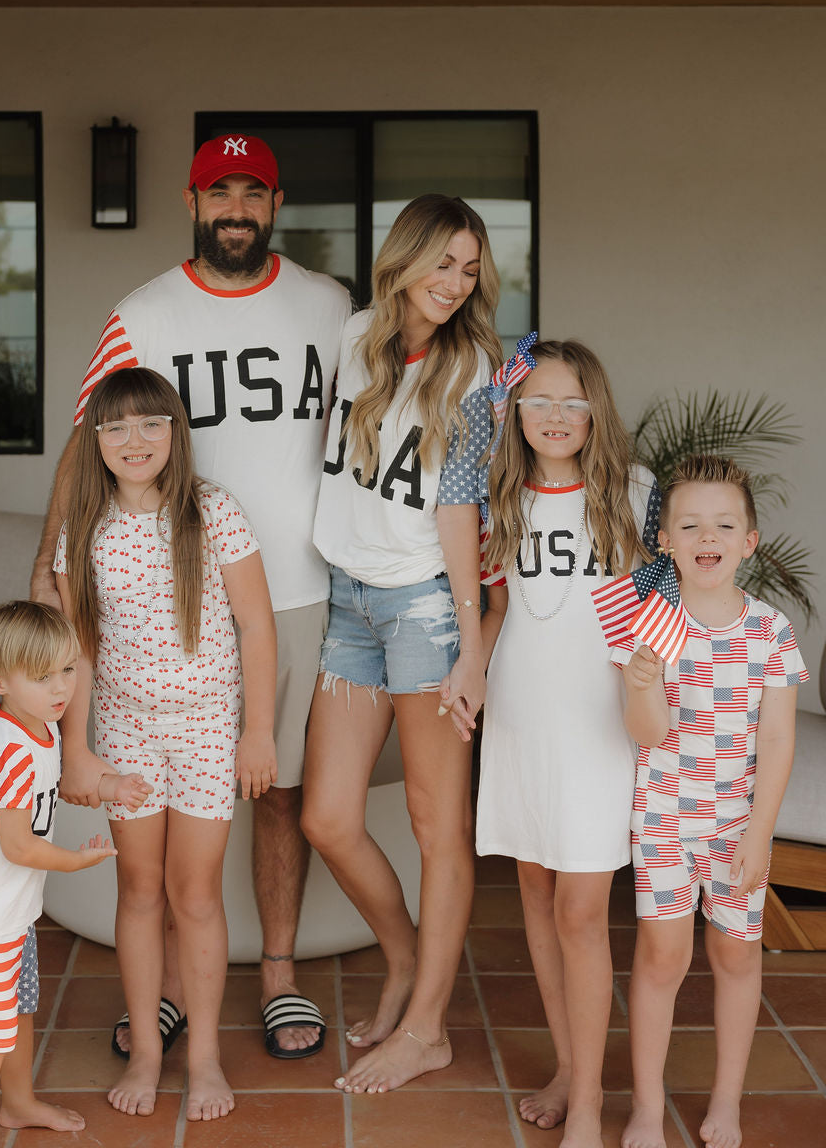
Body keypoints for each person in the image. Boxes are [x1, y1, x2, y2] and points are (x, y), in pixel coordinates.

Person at [30, 132, 350, 1065]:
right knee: (163, 828)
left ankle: (279, 972)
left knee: (279, 791)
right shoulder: (143, 313)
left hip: (296, 588)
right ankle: (168, 989)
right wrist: (46, 567)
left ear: (276, 205)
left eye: (253, 192)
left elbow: (369, 425)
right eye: (220, 193)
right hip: (169, 597)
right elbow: (86, 439)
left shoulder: (330, 305)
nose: (236, 209)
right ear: (192, 202)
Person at [299, 193, 503, 1094]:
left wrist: (471, 646)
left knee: (437, 826)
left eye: (470, 269)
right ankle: (408, 962)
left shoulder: (474, 370)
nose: (455, 284)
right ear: (404, 259)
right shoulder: (354, 339)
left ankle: (428, 1029)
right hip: (348, 602)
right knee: (328, 817)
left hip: (425, 609)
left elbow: (460, 510)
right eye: (442, 263)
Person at [55, 367, 278, 1120]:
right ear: (96, 440)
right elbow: (79, 647)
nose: (135, 439)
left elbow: (256, 626)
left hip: (208, 728)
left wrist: (258, 732)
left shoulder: (212, 511)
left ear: (176, 433)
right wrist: (77, 748)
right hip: (126, 732)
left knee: (196, 894)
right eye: (116, 426)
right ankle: (150, 1051)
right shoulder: (84, 528)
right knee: (140, 890)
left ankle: (206, 1055)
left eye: (152, 423)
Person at [463, 339, 661, 1148]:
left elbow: (666, 609)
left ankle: (588, 1102)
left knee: (581, 909)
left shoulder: (635, 493)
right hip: (521, 709)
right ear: (514, 411)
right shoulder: (497, 497)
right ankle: (570, 1070)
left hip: (599, 718)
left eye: (572, 402)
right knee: (537, 898)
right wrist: (469, 672)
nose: (555, 416)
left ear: (595, 412)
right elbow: (499, 608)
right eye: (537, 400)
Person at [613, 455, 807, 1148]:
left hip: (738, 826)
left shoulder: (771, 631)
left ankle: (727, 1100)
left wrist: (761, 832)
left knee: (737, 956)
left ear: (748, 541)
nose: (708, 537)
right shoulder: (650, 625)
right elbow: (647, 734)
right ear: (665, 540)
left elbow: (777, 740)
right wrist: (641, 684)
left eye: (724, 525)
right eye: (690, 525)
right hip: (664, 818)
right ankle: (645, 1105)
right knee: (662, 958)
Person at [0, 600, 141, 1148]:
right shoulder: (6, 750)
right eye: (42, 676)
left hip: (10, 913)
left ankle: (18, 1104)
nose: (61, 687)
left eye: (67, 669)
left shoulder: (42, 729)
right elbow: (19, 846)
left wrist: (111, 787)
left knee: (17, 1012)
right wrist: (76, 861)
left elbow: (57, 787)